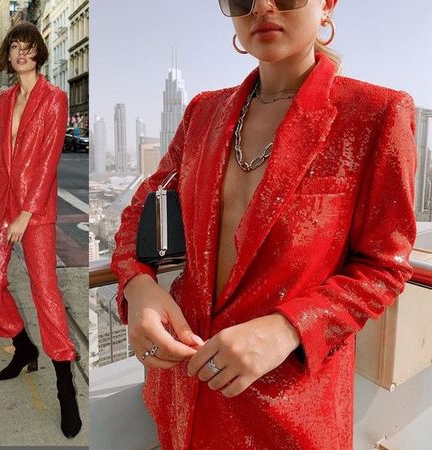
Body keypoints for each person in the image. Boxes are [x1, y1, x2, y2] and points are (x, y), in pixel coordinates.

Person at [111, 1, 417, 449]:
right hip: (183, 395)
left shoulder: (375, 114)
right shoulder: (203, 113)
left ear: (327, 5)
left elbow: (384, 268)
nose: (263, 8)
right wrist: (138, 288)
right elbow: (139, 213)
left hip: (284, 413)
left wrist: (288, 328)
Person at [0, 21, 82, 439]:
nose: (22, 52)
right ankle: (23, 346)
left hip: (33, 212)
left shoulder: (54, 99)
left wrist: (27, 212)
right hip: (0, 204)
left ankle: (64, 385)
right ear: (10, 54)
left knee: (45, 291)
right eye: (15, 46)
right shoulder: (4, 100)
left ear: (39, 52)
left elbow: (48, 160)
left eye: (28, 46)